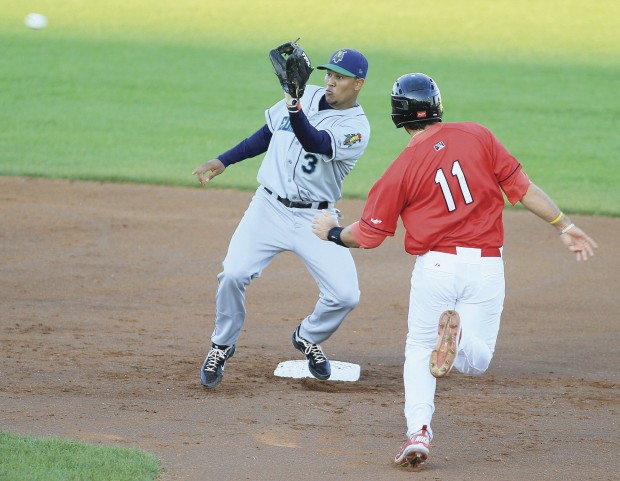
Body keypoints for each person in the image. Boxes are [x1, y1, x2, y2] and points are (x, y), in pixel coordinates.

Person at [312, 73, 598, 466]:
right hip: (486, 267)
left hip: (437, 267)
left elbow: (368, 236)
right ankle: (458, 339)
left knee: (419, 347)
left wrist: (332, 233)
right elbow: (524, 189)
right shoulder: (478, 135)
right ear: (437, 104)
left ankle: (419, 433)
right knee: (476, 362)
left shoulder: (401, 168)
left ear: (399, 114)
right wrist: (565, 226)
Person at [192, 47, 371, 389]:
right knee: (233, 274)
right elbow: (268, 133)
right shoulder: (308, 95)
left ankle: (307, 336)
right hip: (268, 208)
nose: (330, 82)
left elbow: (315, 142)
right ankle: (222, 345)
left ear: (358, 84)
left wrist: (294, 103)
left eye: (340, 77)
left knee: (346, 295)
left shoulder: (356, 128)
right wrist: (223, 160)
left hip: (316, 219)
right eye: (328, 74)